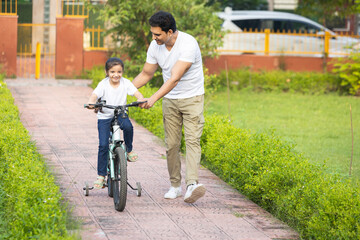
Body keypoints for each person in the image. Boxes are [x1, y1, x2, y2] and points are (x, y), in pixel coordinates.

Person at [133, 11, 206, 203]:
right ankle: (175, 186)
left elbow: (174, 78)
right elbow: (146, 73)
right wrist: (121, 89)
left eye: (157, 34)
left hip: (192, 98)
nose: (153, 38)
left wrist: (153, 98)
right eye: (152, 34)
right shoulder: (155, 46)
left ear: (170, 32)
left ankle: (191, 185)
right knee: (172, 145)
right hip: (170, 101)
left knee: (192, 141)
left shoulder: (188, 44)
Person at [87, 57, 144, 189]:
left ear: (122, 72)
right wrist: (91, 102)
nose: (116, 75)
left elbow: (136, 93)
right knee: (103, 145)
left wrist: (140, 98)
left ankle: (129, 150)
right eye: (112, 72)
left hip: (120, 114)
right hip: (105, 117)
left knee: (129, 127)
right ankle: (101, 176)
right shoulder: (103, 84)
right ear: (107, 72)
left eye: (119, 72)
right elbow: (94, 96)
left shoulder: (125, 83)